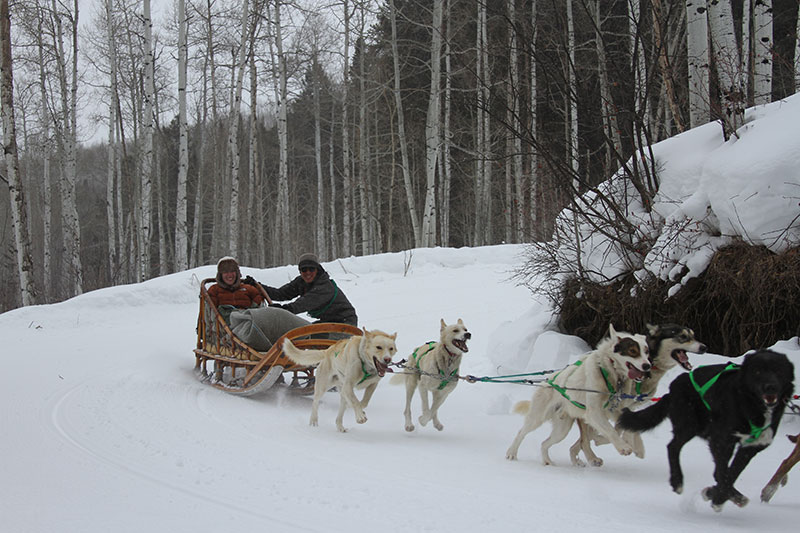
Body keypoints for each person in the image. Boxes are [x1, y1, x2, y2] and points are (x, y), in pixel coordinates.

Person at [244, 253, 358, 327]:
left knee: (308, 339)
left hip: (346, 323)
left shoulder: (325, 287)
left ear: (317, 269)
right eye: (304, 270)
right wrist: (257, 286)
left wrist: (281, 310)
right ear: (300, 271)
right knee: (303, 337)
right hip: (328, 321)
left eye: (311, 269)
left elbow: (300, 305)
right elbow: (281, 294)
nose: (308, 273)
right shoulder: (301, 282)